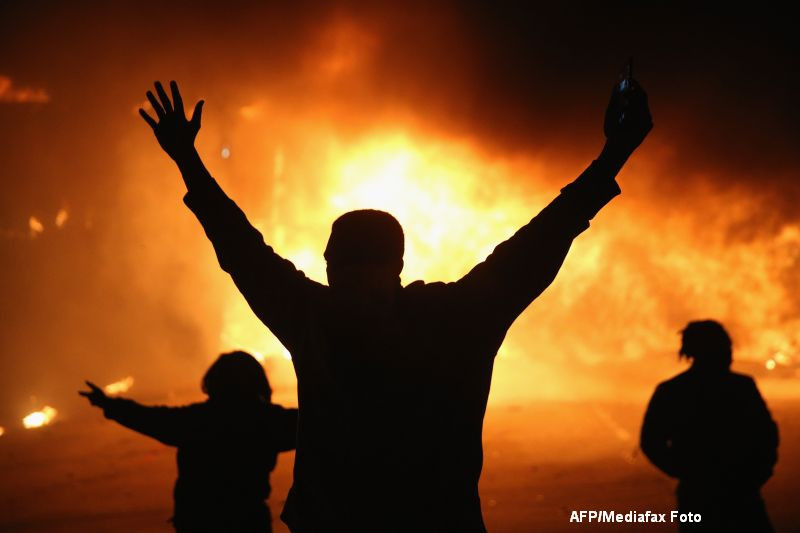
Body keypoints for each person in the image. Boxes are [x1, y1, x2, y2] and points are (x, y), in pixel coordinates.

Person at [138, 71, 651, 531]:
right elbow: (544, 238)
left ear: (330, 262)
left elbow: (239, 248)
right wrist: (615, 152)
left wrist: (187, 158)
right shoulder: (462, 315)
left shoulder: (312, 316)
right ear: (399, 264)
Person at [79, 351, 297, 532]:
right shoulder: (268, 420)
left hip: (198, 521)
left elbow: (148, 418)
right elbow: (316, 422)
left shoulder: (198, 419)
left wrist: (107, 404)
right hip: (247, 521)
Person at [640, 320, 779, 532]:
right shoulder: (741, 387)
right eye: (725, 347)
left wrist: (683, 471)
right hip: (740, 492)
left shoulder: (672, 390)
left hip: (699, 494)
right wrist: (759, 472)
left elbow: (651, 442)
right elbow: (766, 434)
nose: (730, 353)